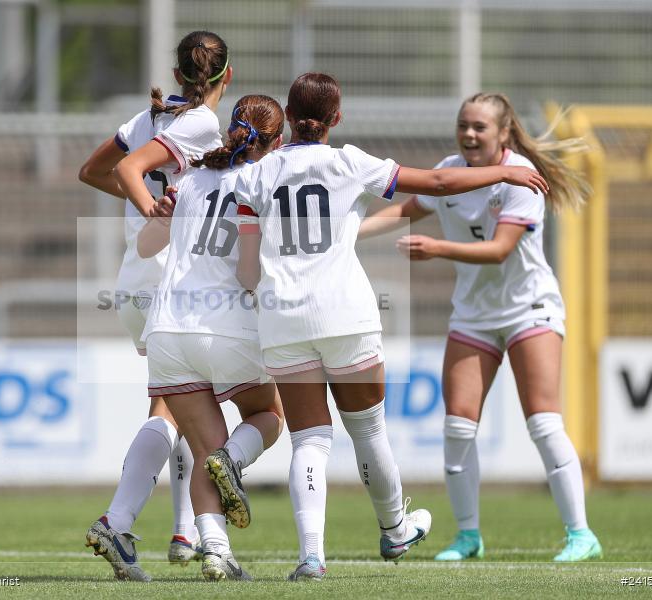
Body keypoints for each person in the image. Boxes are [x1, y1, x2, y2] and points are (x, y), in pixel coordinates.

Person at [234, 74, 549, 581]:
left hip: (282, 317)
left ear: (288, 117)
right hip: (344, 314)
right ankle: (395, 528)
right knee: (368, 429)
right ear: (337, 117)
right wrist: (503, 176)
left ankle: (312, 556)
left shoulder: (255, 175)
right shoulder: (349, 162)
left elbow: (245, 268)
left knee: (310, 441)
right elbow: (441, 183)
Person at [359, 92, 602, 563]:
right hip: (473, 315)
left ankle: (581, 534)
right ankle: (468, 537)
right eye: (463, 125)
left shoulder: (519, 180)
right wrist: (350, 234)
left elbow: (499, 250)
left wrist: (437, 249)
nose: (469, 135)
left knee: (544, 422)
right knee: (457, 427)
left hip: (529, 309)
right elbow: (408, 209)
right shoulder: (451, 168)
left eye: (480, 127)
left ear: (504, 133)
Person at [77, 30, 232, 581]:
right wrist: (154, 212)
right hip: (171, 282)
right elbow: (125, 172)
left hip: (136, 280)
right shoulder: (204, 123)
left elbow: (91, 172)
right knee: (176, 407)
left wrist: (147, 206)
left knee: (182, 402)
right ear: (225, 77)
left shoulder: (148, 118)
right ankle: (121, 523)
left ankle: (186, 531)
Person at [138, 94, 287, 581]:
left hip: (166, 330)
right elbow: (249, 276)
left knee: (202, 448)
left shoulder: (190, 179)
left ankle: (217, 551)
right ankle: (234, 458)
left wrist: (162, 210)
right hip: (225, 329)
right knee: (268, 416)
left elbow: (145, 247)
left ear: (229, 131)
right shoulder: (262, 181)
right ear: (276, 141)